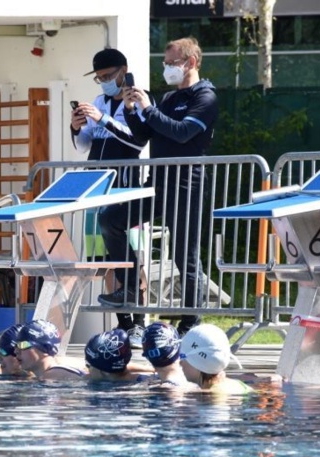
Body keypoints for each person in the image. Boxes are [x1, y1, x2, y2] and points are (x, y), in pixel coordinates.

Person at [99, 36, 219, 337]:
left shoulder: (205, 97)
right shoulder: (167, 99)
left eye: (172, 63)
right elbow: (143, 134)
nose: (167, 69)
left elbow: (182, 133)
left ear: (190, 62)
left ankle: (191, 320)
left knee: (184, 255)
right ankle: (129, 288)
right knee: (111, 220)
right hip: (158, 182)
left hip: (186, 185)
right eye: (164, 64)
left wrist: (148, 108)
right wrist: (130, 109)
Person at [74, 48, 150, 347]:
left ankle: (140, 323)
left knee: (134, 260)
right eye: (99, 78)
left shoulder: (138, 99)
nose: (105, 82)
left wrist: (103, 119)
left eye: (108, 76)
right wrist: (77, 126)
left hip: (126, 185)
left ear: (123, 70)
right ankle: (123, 323)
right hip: (97, 188)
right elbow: (83, 145)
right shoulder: (99, 101)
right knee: (108, 261)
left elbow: (135, 139)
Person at [180, 324, 253, 394]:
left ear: (197, 363)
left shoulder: (214, 396)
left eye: (181, 356)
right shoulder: (238, 385)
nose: (179, 362)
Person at [14, 320, 85, 381]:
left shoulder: (53, 376)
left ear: (46, 348)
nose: (16, 351)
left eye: (23, 345)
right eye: (16, 345)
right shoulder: (58, 373)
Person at [140, 321, 198, 389]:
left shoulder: (144, 382)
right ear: (178, 347)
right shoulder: (198, 382)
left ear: (147, 356)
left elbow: (125, 370)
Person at [84, 329, 151, 382]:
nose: (87, 370)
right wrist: (150, 369)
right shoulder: (147, 381)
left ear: (104, 372)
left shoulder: (93, 383)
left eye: (88, 365)